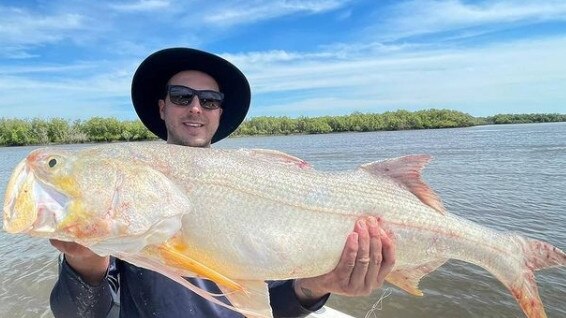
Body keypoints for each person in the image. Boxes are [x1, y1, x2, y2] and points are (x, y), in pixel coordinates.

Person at [49, 48, 396, 317]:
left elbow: (271, 307)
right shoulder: (124, 189)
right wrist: (86, 264)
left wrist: (315, 286)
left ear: (219, 112)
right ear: (161, 107)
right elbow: (78, 313)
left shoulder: (257, 184)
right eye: (182, 96)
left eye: (210, 100)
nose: (196, 108)